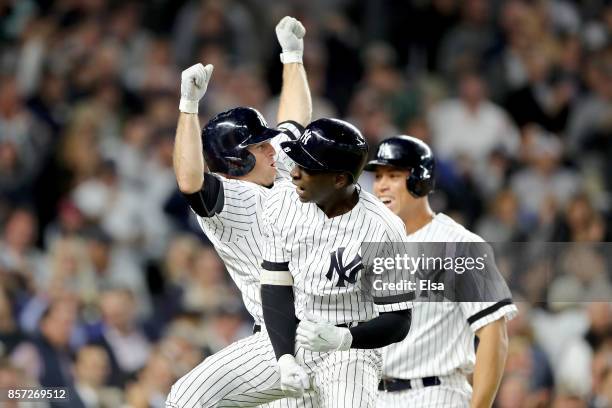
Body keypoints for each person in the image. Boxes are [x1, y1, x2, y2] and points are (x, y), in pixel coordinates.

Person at [165, 16, 313, 407]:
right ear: (234, 161)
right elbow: (188, 180)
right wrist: (188, 107)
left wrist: (292, 56)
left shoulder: (275, 165)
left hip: (314, 329)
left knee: (185, 399)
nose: (270, 148)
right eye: (258, 146)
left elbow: (295, 122)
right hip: (285, 336)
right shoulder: (229, 199)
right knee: (186, 398)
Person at [260, 118, 414, 407]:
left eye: (306, 169)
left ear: (339, 179)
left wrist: (343, 338)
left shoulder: (384, 227)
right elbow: (275, 286)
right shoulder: (282, 201)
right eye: (295, 163)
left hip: (352, 348)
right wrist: (284, 358)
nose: (294, 174)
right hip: (290, 336)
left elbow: (399, 320)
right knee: (189, 394)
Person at [364, 135, 518, 408]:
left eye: (393, 175)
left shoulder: (460, 246)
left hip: (434, 393)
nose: (381, 186)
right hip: (373, 396)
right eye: (378, 177)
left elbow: (494, 334)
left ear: (419, 180)